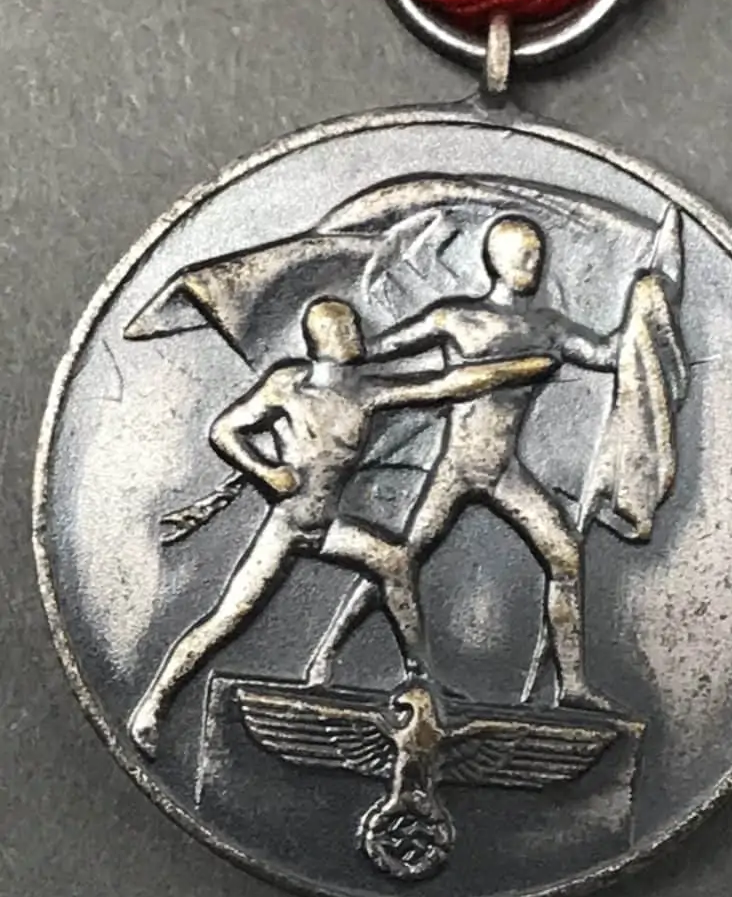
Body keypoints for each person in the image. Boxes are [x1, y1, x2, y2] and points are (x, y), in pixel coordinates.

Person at [128, 296, 557, 757]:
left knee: (394, 562)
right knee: (227, 619)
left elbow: (446, 384)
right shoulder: (288, 385)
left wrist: (520, 369)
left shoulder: (366, 391)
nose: (357, 333)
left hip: (329, 526)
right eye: (347, 327)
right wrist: (266, 472)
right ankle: (154, 706)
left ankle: (422, 675)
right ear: (324, 339)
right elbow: (224, 431)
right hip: (288, 525)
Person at [308, 216, 621, 709]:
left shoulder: (549, 328)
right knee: (401, 560)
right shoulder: (454, 317)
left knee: (565, 555)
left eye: (537, 253)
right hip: (457, 468)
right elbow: (373, 353)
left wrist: (646, 307)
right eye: (523, 254)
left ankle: (575, 687)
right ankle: (326, 656)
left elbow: (606, 354)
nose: (534, 262)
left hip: (504, 471)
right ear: (496, 259)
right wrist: (329, 349)